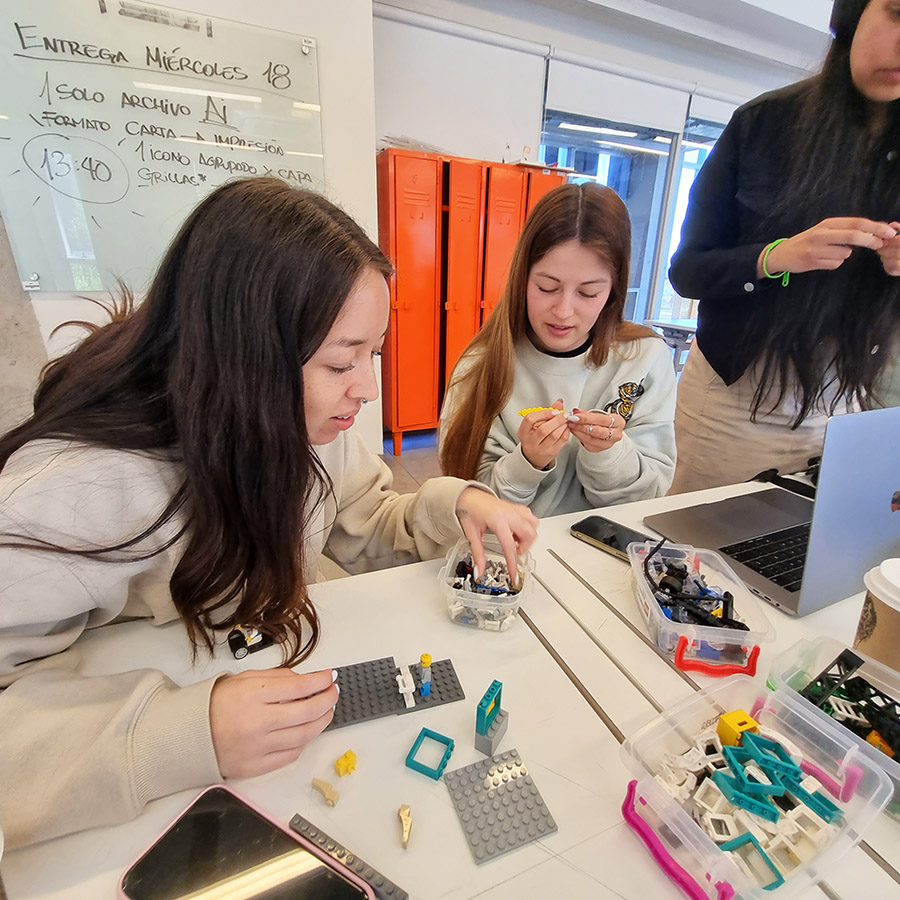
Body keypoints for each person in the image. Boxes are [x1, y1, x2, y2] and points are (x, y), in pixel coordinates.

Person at [0, 177, 538, 848]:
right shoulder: (73, 490)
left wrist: (451, 505)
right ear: (243, 358)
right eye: (344, 361)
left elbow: (364, 514)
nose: (368, 389)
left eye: (373, 353)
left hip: (249, 694)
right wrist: (183, 732)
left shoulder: (306, 421)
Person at [668, 0, 900, 493]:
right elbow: (688, 271)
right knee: (691, 555)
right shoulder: (764, 124)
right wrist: (777, 258)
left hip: (849, 403)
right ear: (852, 15)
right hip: (734, 397)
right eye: (898, 13)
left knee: (800, 561)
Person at [440, 182, 677, 517]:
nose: (564, 311)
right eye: (547, 287)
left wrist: (608, 453)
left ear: (614, 290)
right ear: (522, 278)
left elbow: (646, 501)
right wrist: (526, 463)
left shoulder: (645, 358)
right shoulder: (480, 366)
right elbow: (463, 504)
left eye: (588, 293)